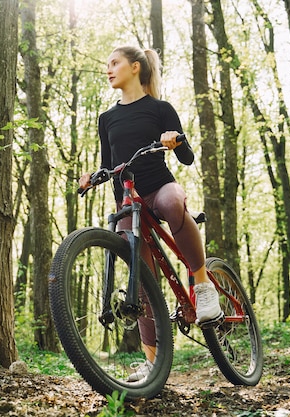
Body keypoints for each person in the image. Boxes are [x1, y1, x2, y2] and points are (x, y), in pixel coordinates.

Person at [78, 45, 223, 382]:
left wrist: (175, 141)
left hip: (159, 186)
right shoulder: (107, 118)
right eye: (107, 64)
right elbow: (106, 162)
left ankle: (202, 285)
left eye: (114, 63)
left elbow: (186, 158)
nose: (109, 69)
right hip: (127, 200)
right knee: (141, 282)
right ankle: (152, 363)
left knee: (174, 203)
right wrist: (92, 176)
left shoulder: (160, 109)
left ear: (135, 67)